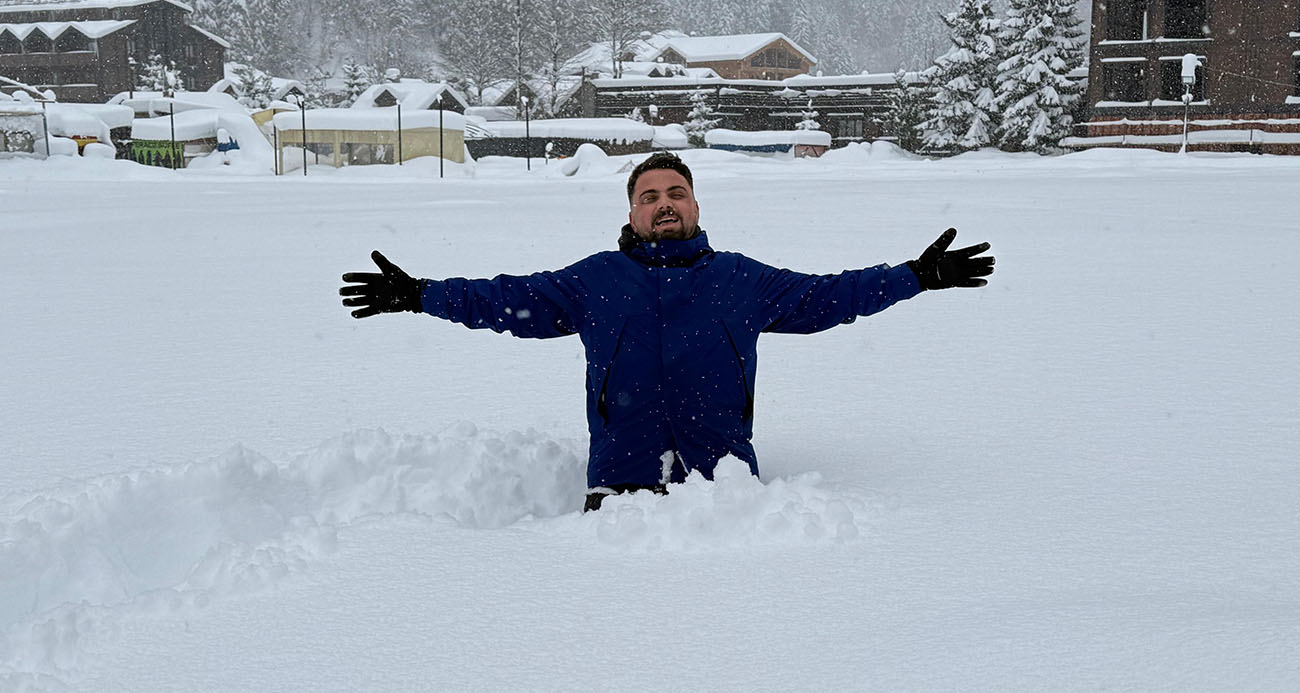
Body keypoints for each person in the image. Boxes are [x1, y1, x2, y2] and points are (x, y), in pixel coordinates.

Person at [341, 152, 994, 511]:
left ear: (696, 207)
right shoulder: (593, 281)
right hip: (616, 497)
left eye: (676, 191)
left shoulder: (743, 280)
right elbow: (504, 299)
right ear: (631, 211)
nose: (664, 203)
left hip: (726, 500)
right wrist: (421, 294)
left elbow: (832, 295)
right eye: (649, 195)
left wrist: (915, 275)